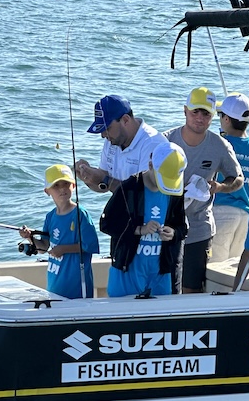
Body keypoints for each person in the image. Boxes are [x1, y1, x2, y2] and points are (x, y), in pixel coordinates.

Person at [164, 87, 244, 293]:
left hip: (199, 229)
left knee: (191, 290)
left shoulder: (220, 145)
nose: (200, 118)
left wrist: (220, 187)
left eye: (206, 113)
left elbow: (238, 179)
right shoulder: (165, 140)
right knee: (163, 288)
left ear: (213, 116)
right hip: (164, 228)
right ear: (185, 111)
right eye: (195, 112)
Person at [99, 140, 188, 297]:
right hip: (127, 271)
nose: (165, 185)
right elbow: (106, 224)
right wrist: (139, 229)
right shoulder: (129, 188)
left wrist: (173, 233)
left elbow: (183, 227)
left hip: (161, 273)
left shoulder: (174, 192)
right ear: (151, 164)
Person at [19, 164, 100, 299]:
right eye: (56, 185)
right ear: (47, 191)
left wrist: (63, 249)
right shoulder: (50, 216)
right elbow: (43, 248)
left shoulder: (81, 214)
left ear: (73, 186)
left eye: (66, 184)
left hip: (77, 288)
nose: (62, 188)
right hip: (54, 284)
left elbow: (90, 246)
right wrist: (29, 237)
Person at [213, 92, 249, 263]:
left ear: (227, 120)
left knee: (214, 269)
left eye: (221, 115)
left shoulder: (218, 143)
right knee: (233, 268)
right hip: (248, 217)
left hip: (221, 213)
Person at [74, 95, 168, 194]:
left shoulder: (153, 144)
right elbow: (104, 185)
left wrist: (104, 179)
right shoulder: (112, 140)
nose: (103, 135)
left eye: (107, 128)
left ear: (125, 120)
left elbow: (142, 194)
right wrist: (88, 177)